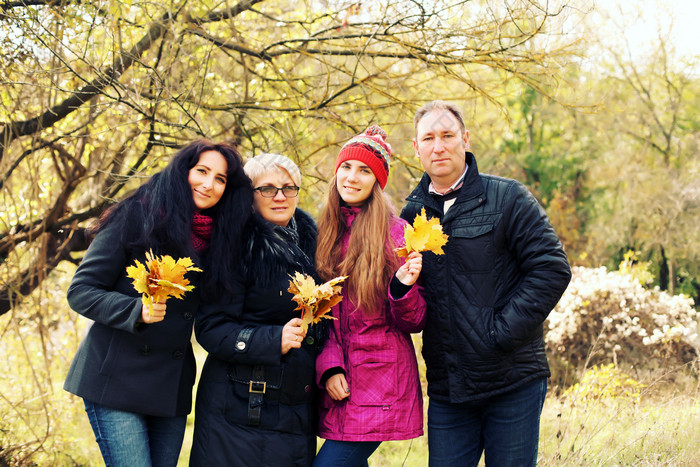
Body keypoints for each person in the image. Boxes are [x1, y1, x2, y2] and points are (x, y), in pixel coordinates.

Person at [401, 100, 572, 467]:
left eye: (447, 135)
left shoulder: (508, 198)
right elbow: (413, 299)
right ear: (416, 148)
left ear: (465, 138)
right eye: (428, 138)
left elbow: (551, 269)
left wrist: (499, 334)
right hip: (449, 390)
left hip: (511, 381)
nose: (439, 146)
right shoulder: (409, 216)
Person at [64, 139, 253, 466]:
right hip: (116, 380)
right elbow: (81, 290)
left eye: (220, 179)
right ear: (184, 171)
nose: (209, 184)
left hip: (171, 388)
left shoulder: (222, 239)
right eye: (202, 171)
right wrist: (135, 311)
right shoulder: (137, 215)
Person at [190, 153, 323, 467]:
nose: (280, 196)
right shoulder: (234, 247)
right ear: (248, 196)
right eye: (267, 188)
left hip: (294, 405)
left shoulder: (314, 246)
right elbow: (210, 327)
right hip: (240, 407)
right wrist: (271, 340)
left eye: (289, 188)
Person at [313, 125, 427, 467]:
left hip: (383, 382)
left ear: (377, 182)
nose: (352, 177)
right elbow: (321, 312)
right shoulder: (322, 231)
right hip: (340, 379)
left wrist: (402, 288)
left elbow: (415, 320)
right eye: (346, 167)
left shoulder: (396, 233)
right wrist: (329, 366)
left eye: (364, 171)